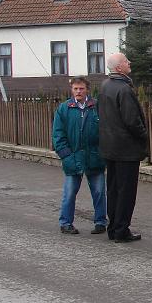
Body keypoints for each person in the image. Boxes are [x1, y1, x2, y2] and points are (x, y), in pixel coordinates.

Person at [98, 53, 148, 243]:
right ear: (119, 68)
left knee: (113, 189)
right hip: (126, 149)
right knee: (126, 192)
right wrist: (144, 135)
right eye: (126, 60)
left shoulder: (105, 86)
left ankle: (113, 227)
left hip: (110, 147)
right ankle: (121, 229)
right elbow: (132, 121)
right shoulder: (124, 89)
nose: (129, 62)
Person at [53, 76, 107, 235]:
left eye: (81, 88)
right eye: (75, 89)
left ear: (87, 90)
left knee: (99, 192)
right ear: (71, 90)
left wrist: (102, 152)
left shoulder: (97, 107)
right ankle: (65, 223)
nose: (78, 91)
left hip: (94, 157)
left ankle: (100, 222)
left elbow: (106, 131)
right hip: (73, 157)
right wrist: (66, 156)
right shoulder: (64, 108)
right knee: (69, 192)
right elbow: (58, 135)